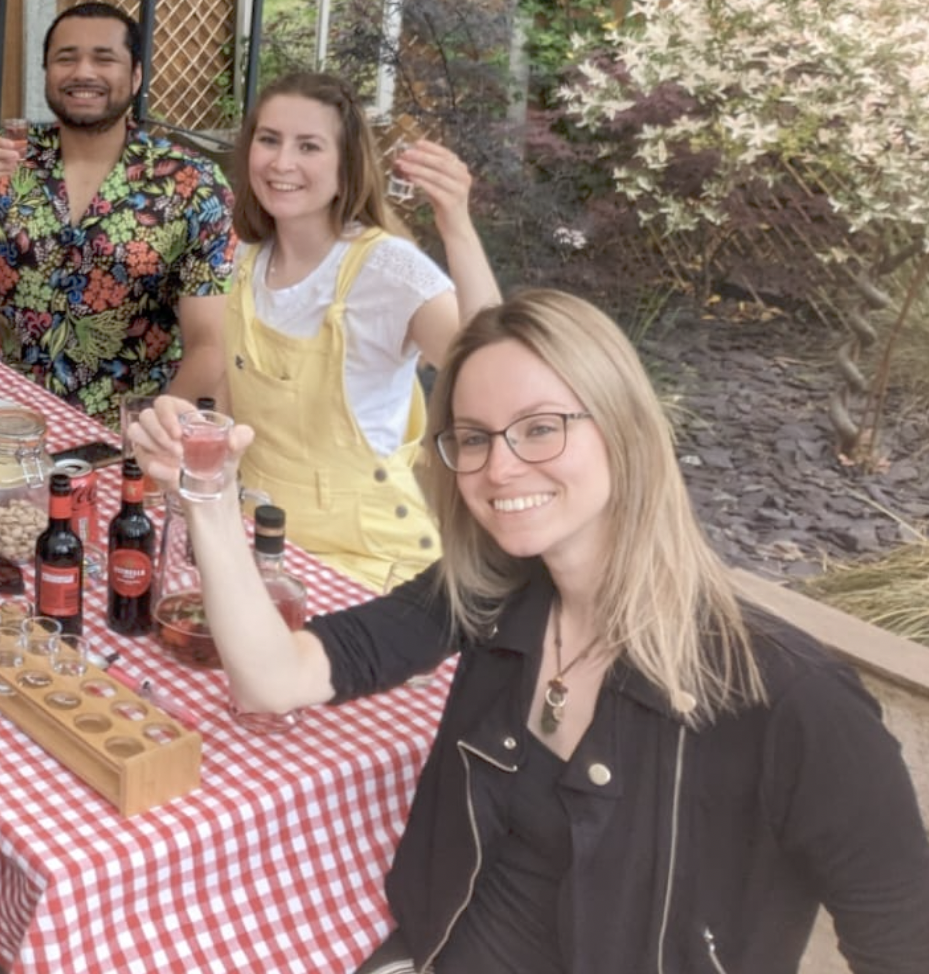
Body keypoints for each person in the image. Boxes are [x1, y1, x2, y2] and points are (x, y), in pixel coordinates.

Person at [131, 291, 929, 974]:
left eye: (540, 427)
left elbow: (903, 944)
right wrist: (209, 498)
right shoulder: (491, 591)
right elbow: (273, 679)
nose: (500, 468)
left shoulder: (792, 701)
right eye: (474, 437)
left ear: (622, 427)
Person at [222, 70, 500, 590]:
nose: (281, 162)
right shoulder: (247, 260)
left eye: (309, 146)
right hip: (263, 542)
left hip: (370, 561)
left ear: (346, 165)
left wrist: (456, 225)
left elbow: (495, 373)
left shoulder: (388, 268)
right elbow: (230, 401)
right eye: (269, 140)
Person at [0, 1, 233, 419]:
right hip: (2, 417)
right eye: (66, 58)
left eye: (104, 59)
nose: (83, 72)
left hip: (121, 428)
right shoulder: (12, 156)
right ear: (47, 73)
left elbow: (210, 344)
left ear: (136, 76)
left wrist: (153, 431)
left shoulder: (191, 182)